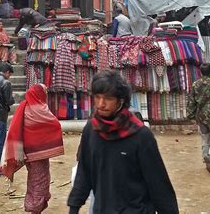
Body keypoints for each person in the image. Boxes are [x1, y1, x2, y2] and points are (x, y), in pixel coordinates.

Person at [67, 70, 178, 213]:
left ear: (121, 100)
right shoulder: (92, 130)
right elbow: (84, 171)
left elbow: (159, 185)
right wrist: (74, 206)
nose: (101, 104)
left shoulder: (141, 136)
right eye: (97, 97)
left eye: (108, 98)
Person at [0, 84, 64, 213]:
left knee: (34, 178)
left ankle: (34, 204)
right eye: (44, 92)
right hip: (39, 154)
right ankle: (35, 207)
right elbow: (54, 124)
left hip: (27, 153)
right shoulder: (41, 109)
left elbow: (16, 128)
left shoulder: (23, 107)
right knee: (40, 179)